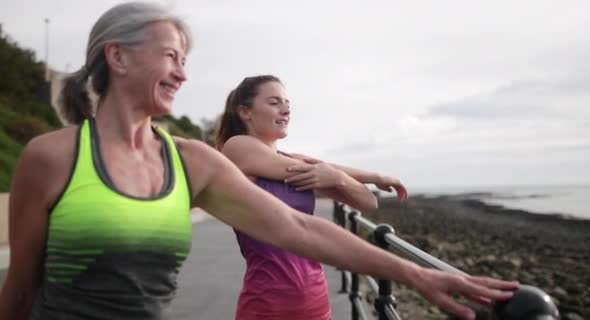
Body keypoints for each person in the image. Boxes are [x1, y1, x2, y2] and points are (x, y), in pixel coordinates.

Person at [0, 2, 517, 320]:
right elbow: (20, 288)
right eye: (171, 56)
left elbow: (298, 226)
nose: (182, 73)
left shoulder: (192, 162)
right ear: (119, 57)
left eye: (186, 61)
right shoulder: (51, 158)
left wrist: (415, 274)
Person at [217, 75, 410, 319]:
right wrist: (342, 175)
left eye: (288, 103)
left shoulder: (293, 160)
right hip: (268, 304)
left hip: (315, 299)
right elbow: (313, 168)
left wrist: (356, 177)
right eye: (275, 102)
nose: (286, 110)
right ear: (245, 112)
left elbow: (368, 202)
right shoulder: (237, 147)